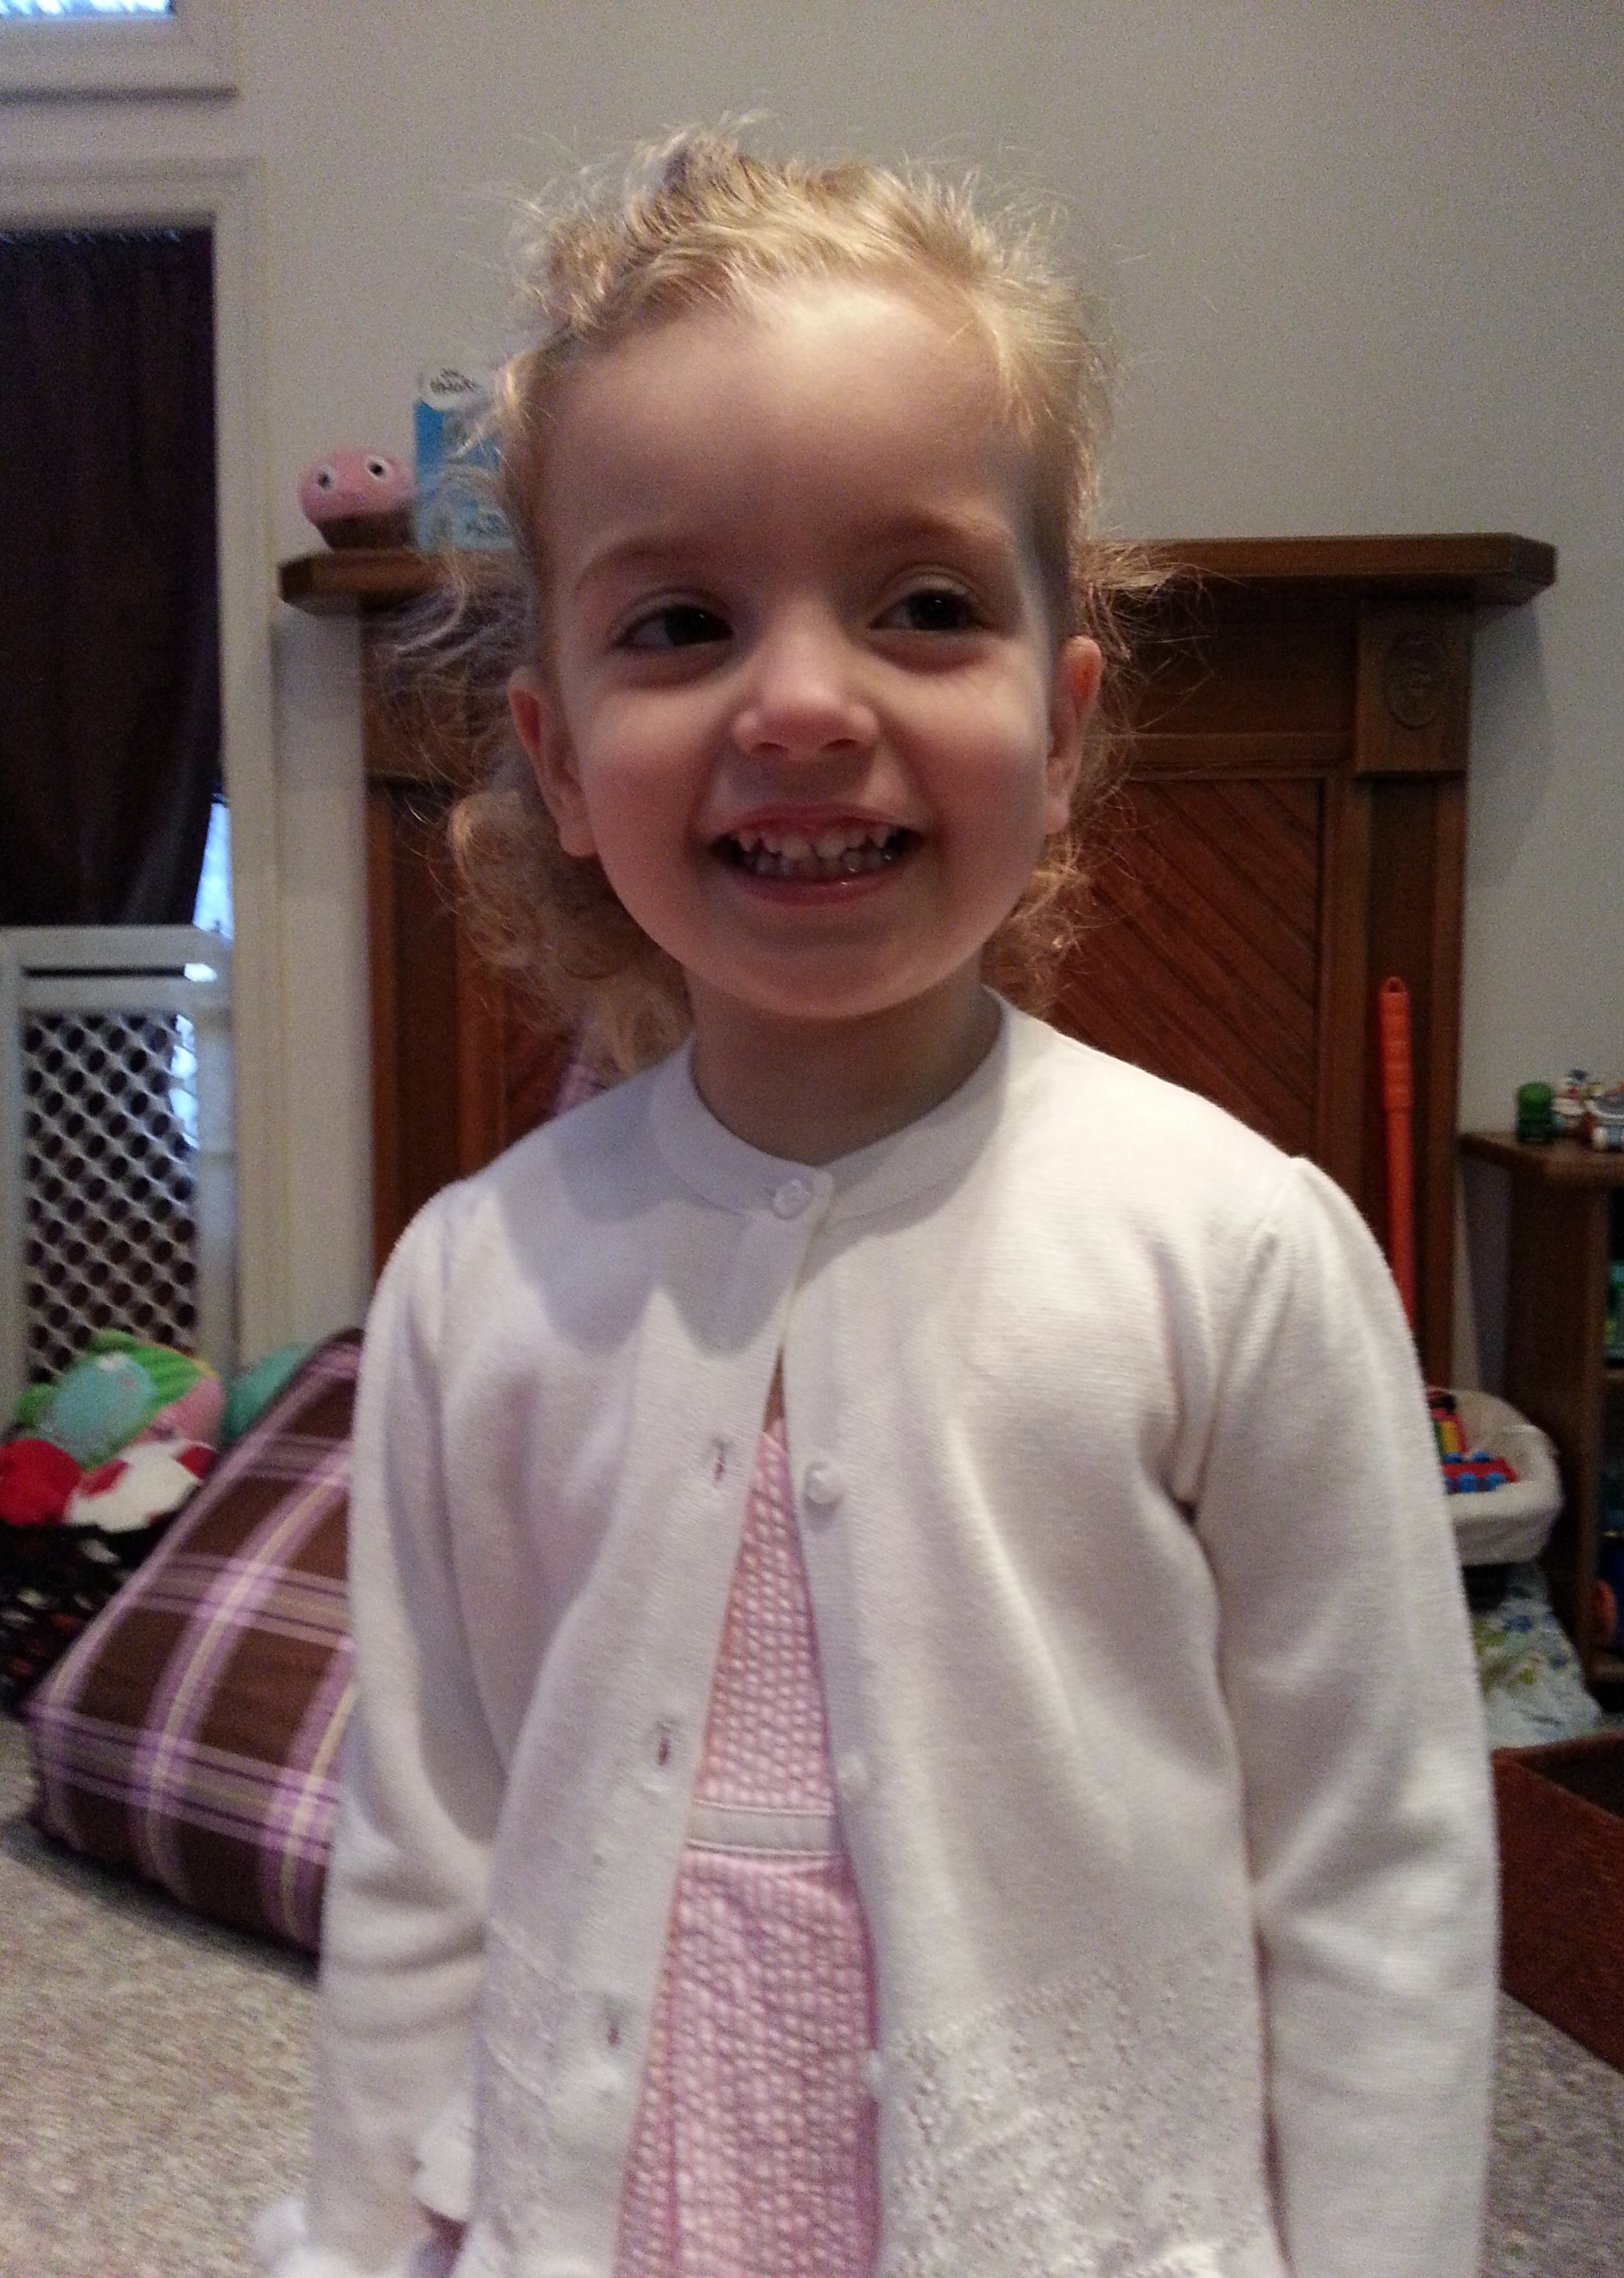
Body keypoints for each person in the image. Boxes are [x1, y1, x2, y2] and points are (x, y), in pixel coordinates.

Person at [261, 131, 1496, 2278]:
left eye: (924, 607)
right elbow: (425, 1840)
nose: (807, 705)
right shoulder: (478, 1281)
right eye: (681, 623)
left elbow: (1376, 1869)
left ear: (1062, 718)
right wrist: (365, 2239)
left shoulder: (1233, 1252)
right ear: (557, 760)